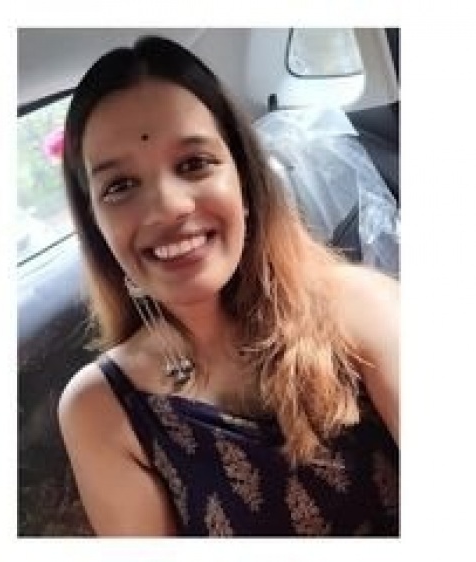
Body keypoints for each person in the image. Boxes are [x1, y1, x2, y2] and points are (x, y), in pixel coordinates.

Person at [58, 35, 399, 537]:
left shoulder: (361, 307)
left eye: (193, 164)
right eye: (120, 186)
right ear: (96, 226)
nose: (168, 208)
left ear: (244, 180)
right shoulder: (101, 409)